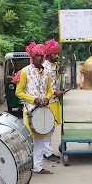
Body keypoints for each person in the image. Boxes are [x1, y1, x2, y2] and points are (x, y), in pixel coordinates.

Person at [15, 41, 54, 174]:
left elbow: (50, 90)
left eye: (41, 55)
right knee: (29, 140)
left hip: (43, 110)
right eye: (37, 55)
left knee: (41, 139)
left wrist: (47, 98)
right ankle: (26, 166)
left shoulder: (47, 72)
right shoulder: (25, 72)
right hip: (30, 111)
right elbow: (18, 92)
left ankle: (37, 167)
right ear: (32, 56)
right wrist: (34, 100)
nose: (39, 58)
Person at [41, 38, 63, 163]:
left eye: (58, 53)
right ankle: (47, 153)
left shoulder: (54, 66)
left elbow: (54, 81)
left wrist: (58, 72)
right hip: (48, 101)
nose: (57, 56)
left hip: (54, 101)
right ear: (49, 54)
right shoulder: (45, 66)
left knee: (52, 127)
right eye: (55, 54)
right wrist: (55, 92)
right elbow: (44, 86)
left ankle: (47, 151)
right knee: (48, 127)